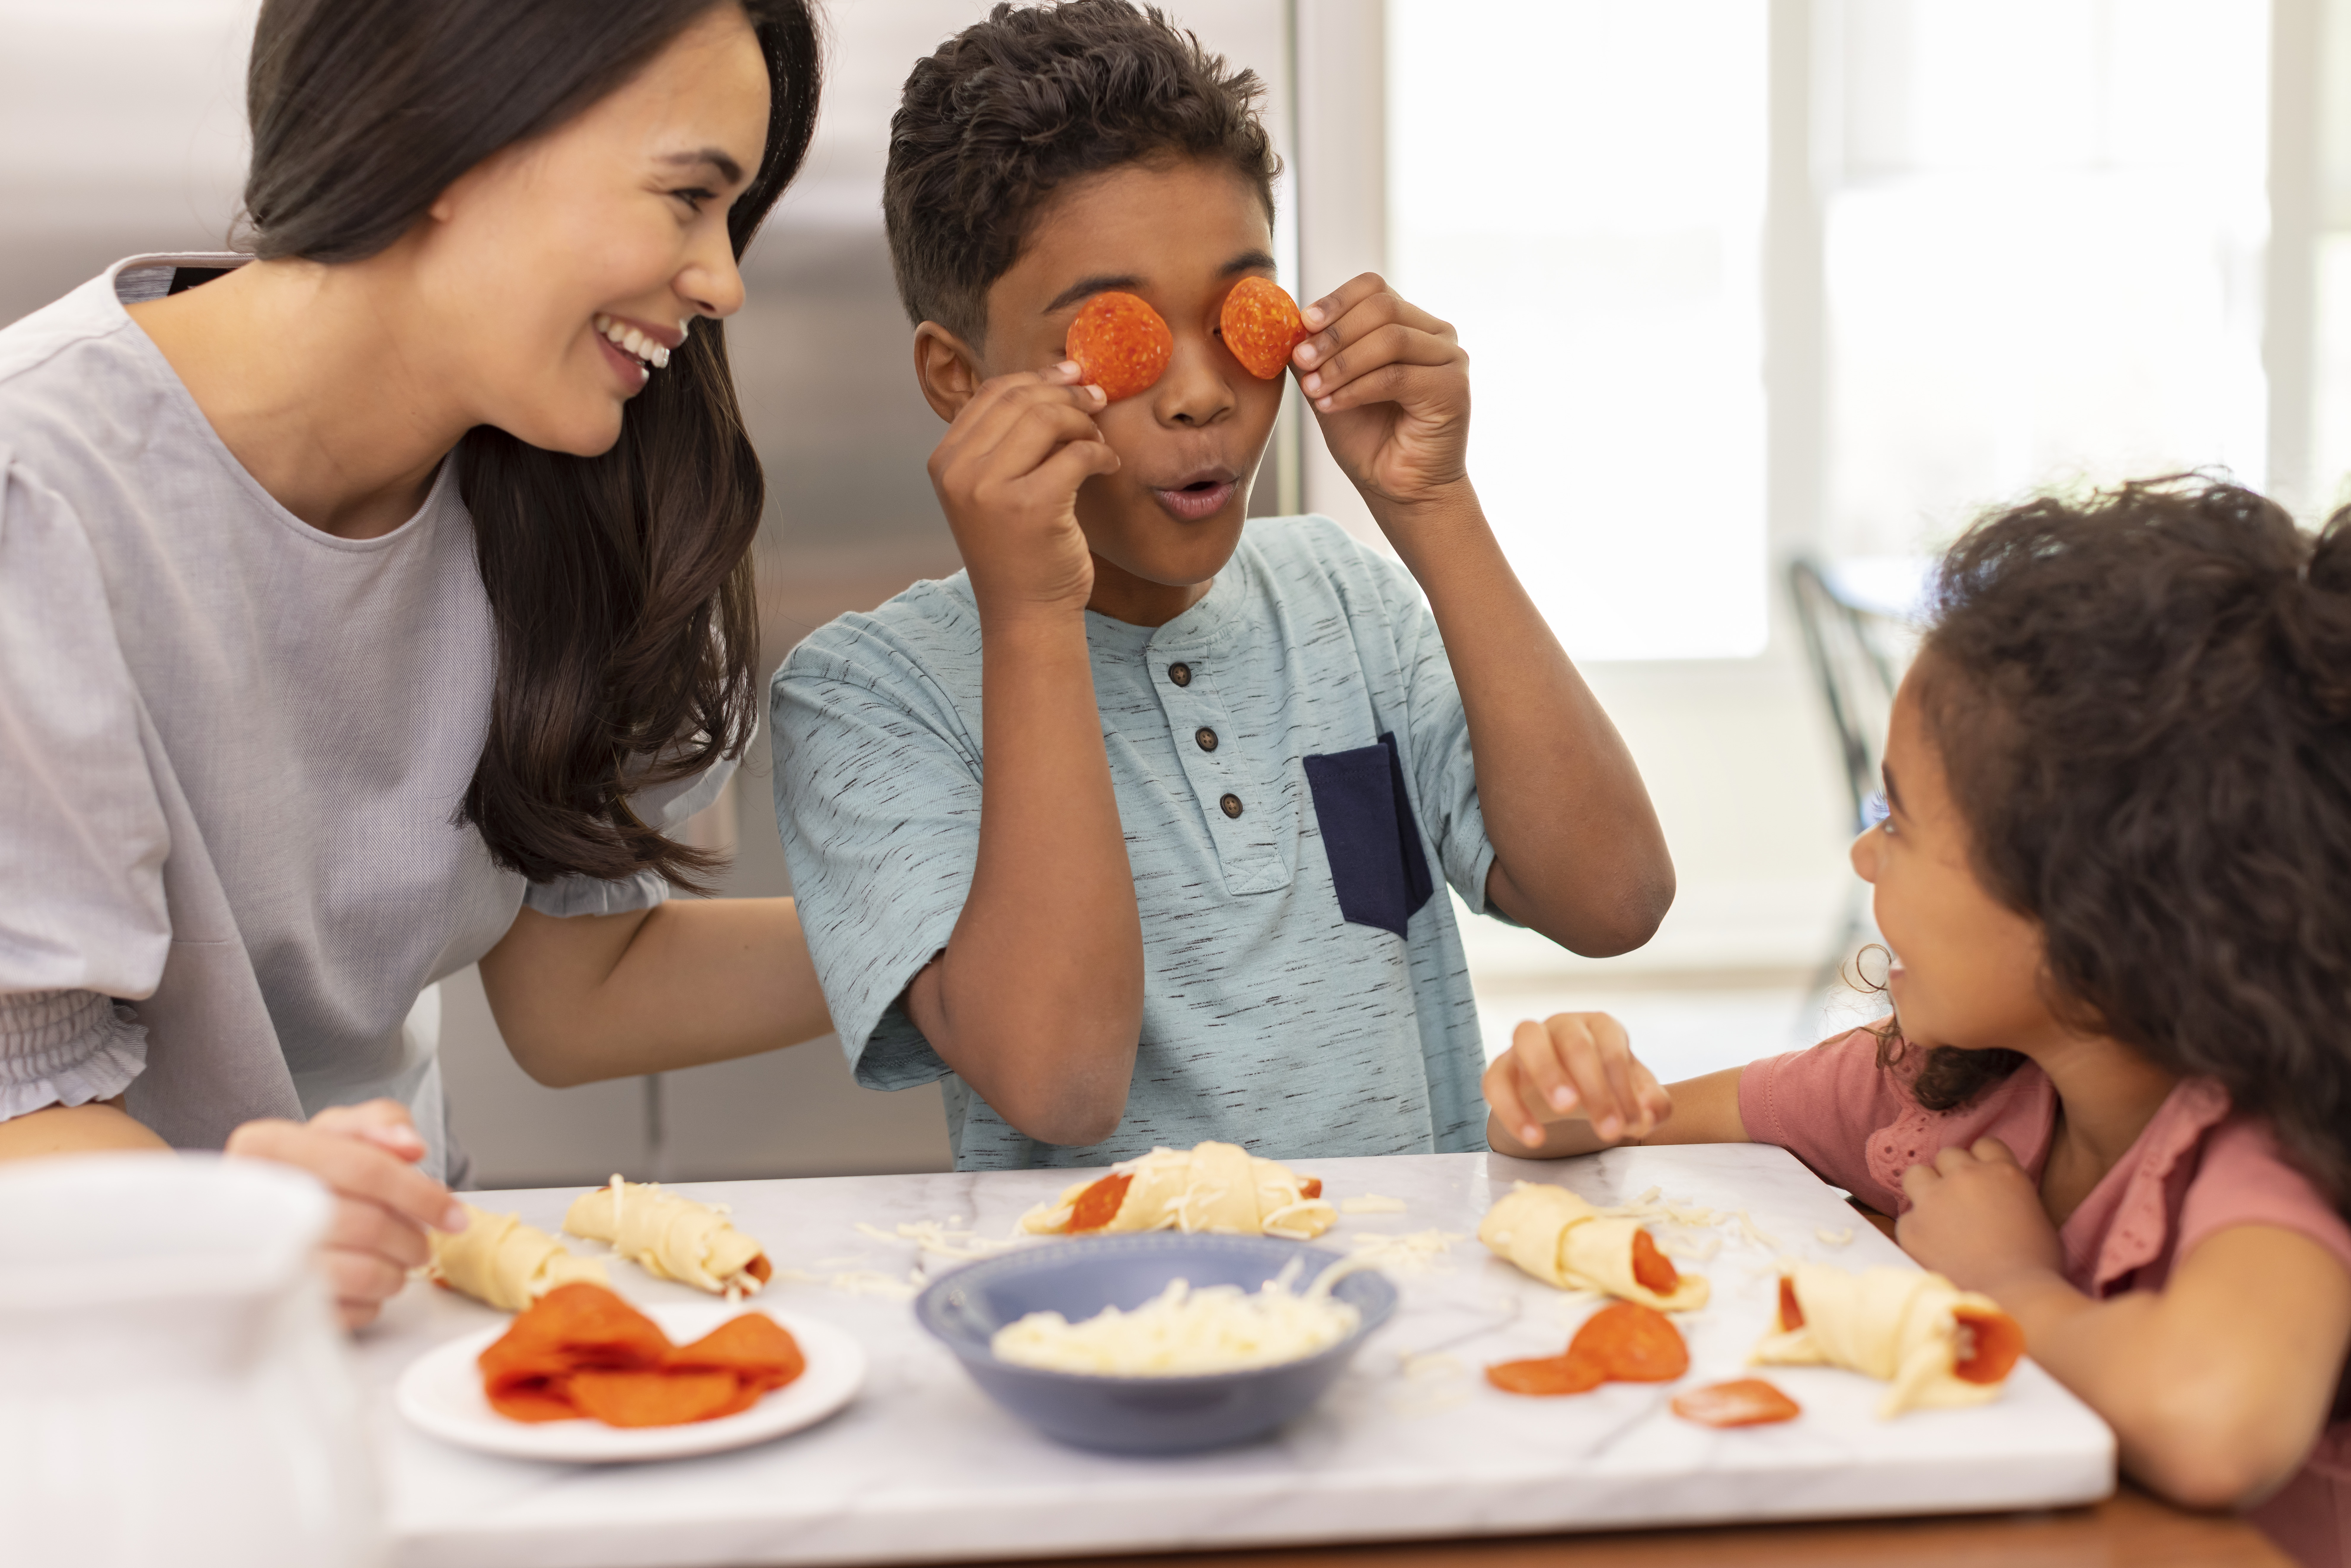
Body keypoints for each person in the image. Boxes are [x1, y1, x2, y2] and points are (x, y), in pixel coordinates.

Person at [0, 0, 836, 1326]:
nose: (722, 280)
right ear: (447, 131)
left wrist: (950, 936)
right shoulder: (34, 496)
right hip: (112, 1345)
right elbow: (18, 1113)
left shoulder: (570, 499)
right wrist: (243, 1227)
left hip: (400, 1303)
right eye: (689, 197)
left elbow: (581, 991)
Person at [771, 0, 1674, 1171]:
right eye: (1119, 336)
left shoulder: (1344, 598)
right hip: (1103, 1287)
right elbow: (1062, 1083)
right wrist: (1033, 618)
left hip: (1405, 1278)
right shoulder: (868, 694)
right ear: (957, 378)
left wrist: (1435, 509)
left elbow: (1614, 900)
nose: (1201, 394)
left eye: (1238, 313)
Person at [1483, 479, 2351, 1563]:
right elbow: (1604, 1129)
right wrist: (1560, 1089)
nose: (1862, 853)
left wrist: (2008, 1282)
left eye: (1895, 818)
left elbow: (2212, 1423)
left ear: (2089, 901)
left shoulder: (2269, 1143)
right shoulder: (1936, 1086)